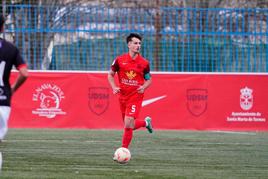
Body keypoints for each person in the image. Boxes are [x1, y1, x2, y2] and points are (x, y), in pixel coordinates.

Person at [108, 33, 153, 155]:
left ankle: (123, 150)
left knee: (128, 123)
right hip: (122, 96)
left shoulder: (144, 63)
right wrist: (114, 87)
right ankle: (146, 123)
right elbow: (110, 75)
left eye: (139, 43)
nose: (138, 46)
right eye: (135, 43)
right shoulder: (119, 60)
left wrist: (143, 87)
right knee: (130, 125)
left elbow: (149, 79)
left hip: (135, 96)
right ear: (129, 44)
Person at [0, 15, 28, 143]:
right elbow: (24, 73)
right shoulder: (11, 49)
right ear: (2, 28)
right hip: (3, 99)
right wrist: (12, 89)